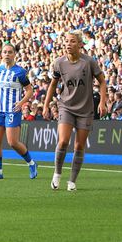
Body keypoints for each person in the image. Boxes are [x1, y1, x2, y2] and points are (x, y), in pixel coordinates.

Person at [43, 31, 107, 191]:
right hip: (66, 106)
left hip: (85, 109)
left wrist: (103, 102)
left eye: (72, 41)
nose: (68, 44)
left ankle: (72, 181)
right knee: (63, 141)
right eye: (66, 41)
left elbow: (102, 82)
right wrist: (46, 104)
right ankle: (57, 173)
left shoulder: (89, 62)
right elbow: (53, 84)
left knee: (79, 146)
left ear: (80, 44)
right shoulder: (59, 63)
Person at [0, 43, 37, 180]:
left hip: (12, 110)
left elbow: (30, 90)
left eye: (10, 52)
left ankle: (31, 163)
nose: (7, 54)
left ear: (14, 54)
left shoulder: (20, 72)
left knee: (13, 142)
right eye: (5, 52)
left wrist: (21, 103)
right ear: (1, 54)